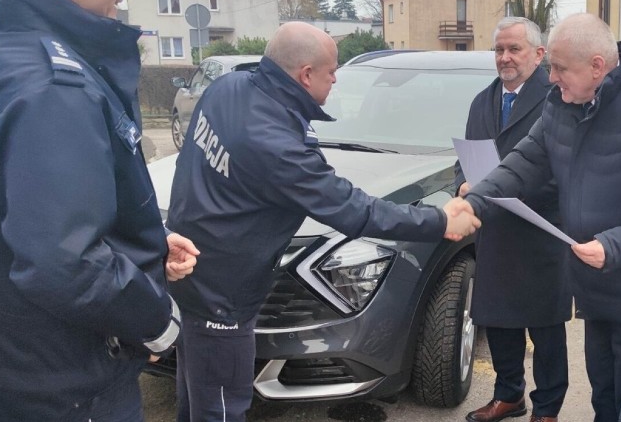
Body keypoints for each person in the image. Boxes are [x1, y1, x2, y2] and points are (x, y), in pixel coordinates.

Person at [165, 21, 481, 421]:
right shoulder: (276, 141)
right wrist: (438, 222)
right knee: (222, 409)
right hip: (226, 296)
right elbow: (353, 209)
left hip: (190, 273)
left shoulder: (226, 89)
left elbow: (190, 167)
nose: (336, 79)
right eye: (332, 71)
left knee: (197, 395)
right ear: (305, 74)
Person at [0, 0, 200, 420]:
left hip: (23, 368)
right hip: (71, 385)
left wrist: (149, 245)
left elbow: (26, 210)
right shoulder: (52, 84)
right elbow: (64, 262)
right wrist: (156, 323)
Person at [462, 13, 621, 422]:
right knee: (603, 391)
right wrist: (476, 199)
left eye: (559, 68)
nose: (552, 78)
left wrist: (617, 245)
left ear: (597, 66)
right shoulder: (564, 104)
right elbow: (524, 161)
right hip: (593, 284)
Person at [457, 17, 570, 422]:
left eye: (514, 49)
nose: (505, 58)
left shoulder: (558, 99)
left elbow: (566, 167)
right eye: (499, 50)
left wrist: (513, 191)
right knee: (499, 319)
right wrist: (462, 186)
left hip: (540, 229)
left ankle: (548, 408)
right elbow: (466, 157)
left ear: (539, 55)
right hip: (495, 230)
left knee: (546, 328)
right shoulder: (481, 101)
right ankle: (509, 395)